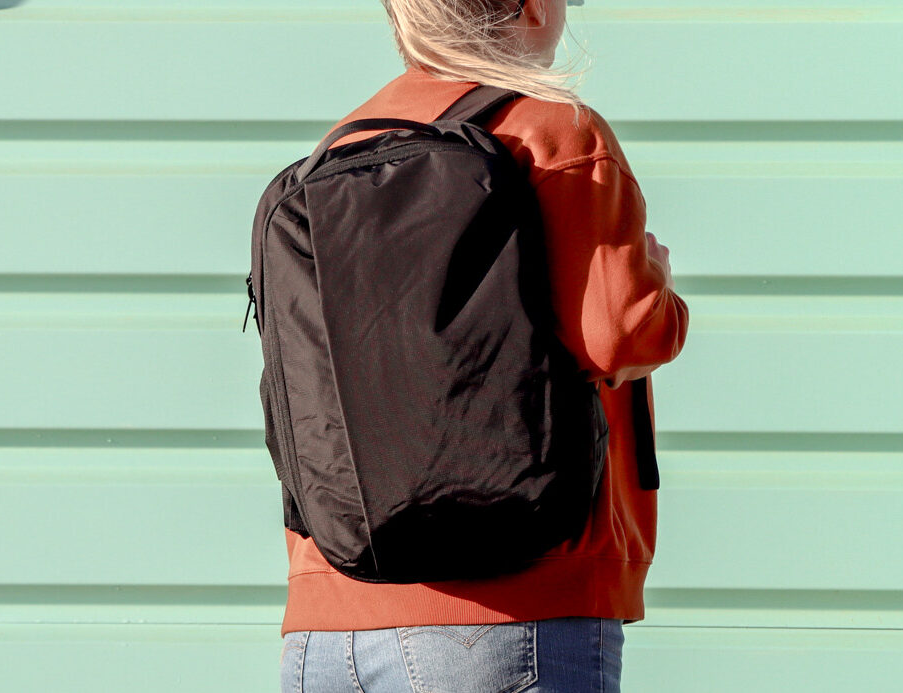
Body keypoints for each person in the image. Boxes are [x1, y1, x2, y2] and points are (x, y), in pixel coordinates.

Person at [278, 0, 690, 690]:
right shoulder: (554, 130)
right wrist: (659, 282)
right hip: (510, 613)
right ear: (532, 8)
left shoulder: (338, 148)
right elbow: (623, 332)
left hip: (327, 622)